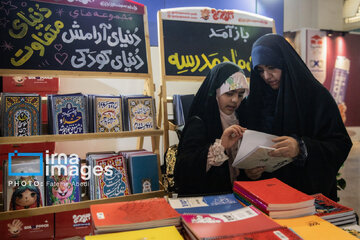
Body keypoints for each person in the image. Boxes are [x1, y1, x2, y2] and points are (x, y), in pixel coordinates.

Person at [237, 33, 352, 201]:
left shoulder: (315, 97)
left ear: (285, 63)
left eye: (272, 68)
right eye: (260, 70)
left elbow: (340, 144)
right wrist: (249, 171)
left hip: (305, 196)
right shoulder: (255, 102)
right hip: (265, 196)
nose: (266, 76)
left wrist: (301, 147)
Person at [174, 62, 249, 195]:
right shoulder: (199, 123)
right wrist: (220, 146)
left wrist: (251, 171)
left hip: (239, 198)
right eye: (229, 93)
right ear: (216, 92)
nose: (235, 100)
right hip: (209, 199)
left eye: (240, 94)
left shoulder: (242, 118)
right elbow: (183, 171)